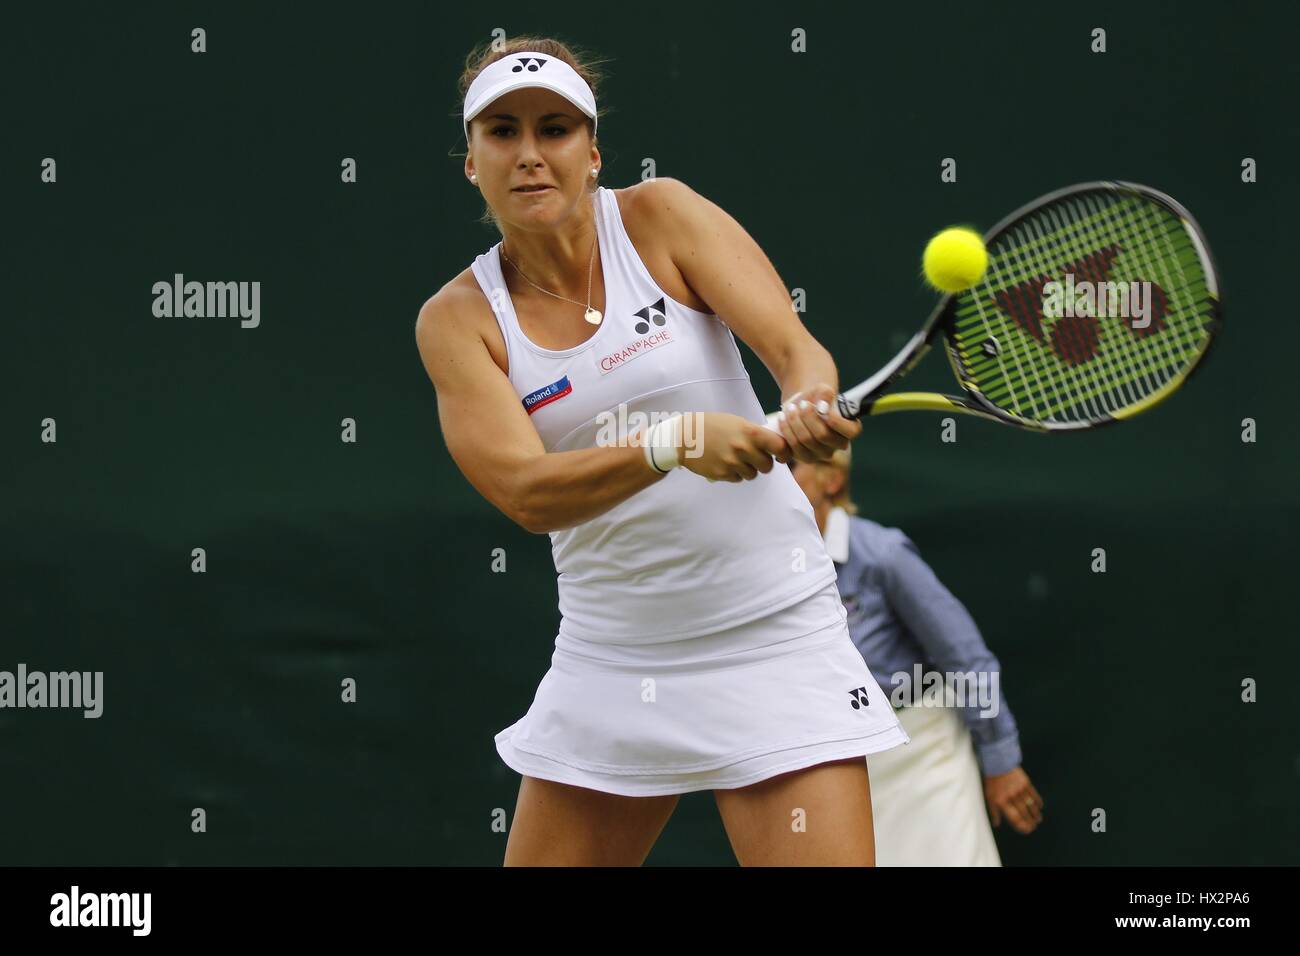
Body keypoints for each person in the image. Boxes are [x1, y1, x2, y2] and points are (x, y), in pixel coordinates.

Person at [414, 37, 909, 866]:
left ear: (594, 150)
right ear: (471, 162)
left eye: (555, 129)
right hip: (612, 658)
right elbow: (526, 494)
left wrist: (811, 404)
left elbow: (796, 353)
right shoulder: (457, 320)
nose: (530, 155)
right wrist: (672, 444)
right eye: (502, 132)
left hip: (774, 638)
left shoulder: (662, 216)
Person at [791, 447, 1045, 865]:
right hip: (834, 769)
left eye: (792, 466)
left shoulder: (882, 554)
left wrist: (1001, 759)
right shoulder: (764, 572)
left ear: (831, 480)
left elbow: (965, 657)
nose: (777, 480)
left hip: (925, 757)